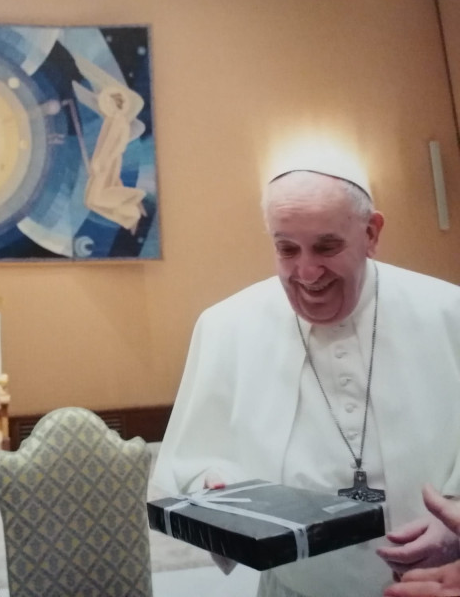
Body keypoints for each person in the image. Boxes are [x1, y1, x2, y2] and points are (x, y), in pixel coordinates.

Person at [152, 160, 460, 597]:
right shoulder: (226, 325)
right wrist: (215, 492)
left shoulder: (449, 312)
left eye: (327, 247)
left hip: (437, 585)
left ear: (371, 233)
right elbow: (192, 461)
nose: (307, 272)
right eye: (287, 249)